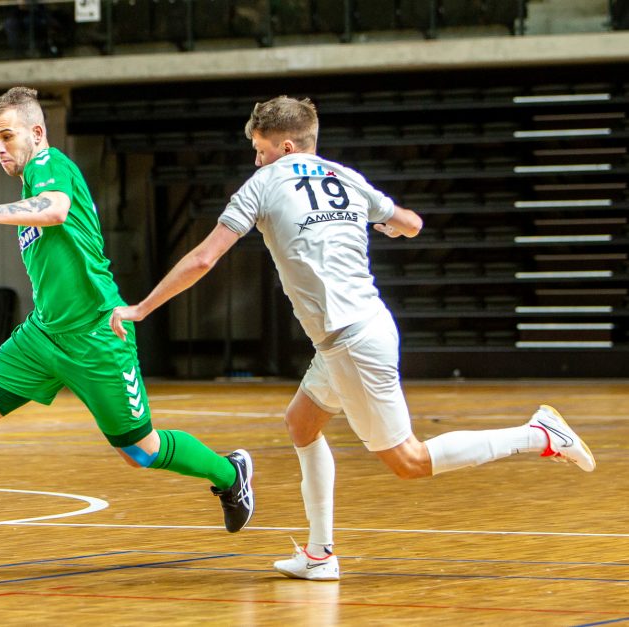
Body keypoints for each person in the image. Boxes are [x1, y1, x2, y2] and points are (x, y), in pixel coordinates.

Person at [109, 95, 596, 582]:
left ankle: (539, 436)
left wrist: (141, 308)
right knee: (301, 422)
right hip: (350, 335)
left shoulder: (262, 184)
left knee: (409, 461)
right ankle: (320, 555)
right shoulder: (345, 177)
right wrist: (389, 225)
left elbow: (202, 259)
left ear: (284, 145)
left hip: (354, 342)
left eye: (259, 150)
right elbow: (411, 222)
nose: (255, 160)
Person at [0, 86, 254, 549]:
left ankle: (230, 473)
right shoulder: (28, 187)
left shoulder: (50, 164)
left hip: (98, 334)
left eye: (7, 135)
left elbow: (56, 209)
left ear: (36, 132)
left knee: (141, 451)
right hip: (42, 334)